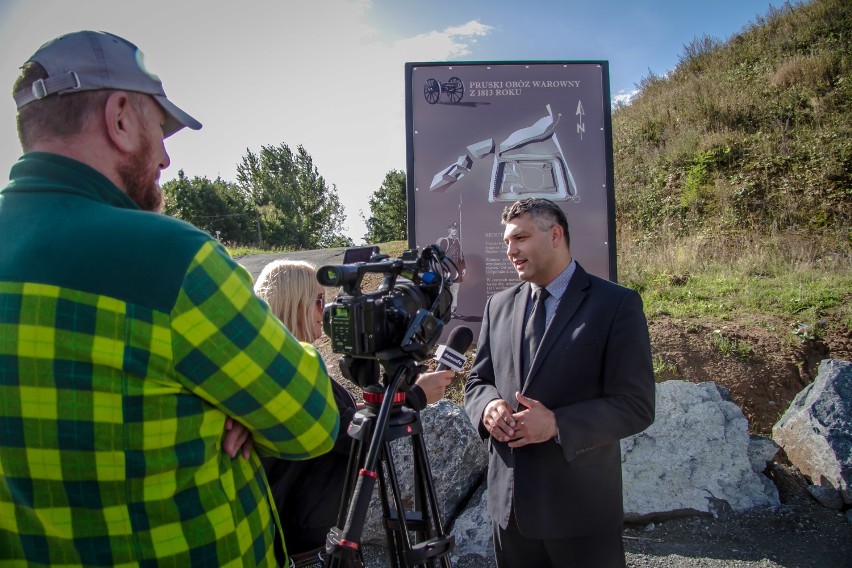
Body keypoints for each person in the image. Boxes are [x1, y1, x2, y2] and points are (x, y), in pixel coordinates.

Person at [0, 31, 339, 567]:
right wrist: (239, 405)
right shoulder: (170, 258)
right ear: (119, 117)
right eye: (160, 129)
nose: (166, 156)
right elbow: (313, 421)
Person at [464, 198, 655, 568]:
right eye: (506, 242)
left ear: (555, 235)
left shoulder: (616, 305)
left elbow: (636, 405)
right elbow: (478, 380)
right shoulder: (498, 305)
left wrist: (556, 424)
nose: (511, 250)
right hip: (510, 511)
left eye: (520, 238)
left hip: (580, 513)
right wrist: (488, 407)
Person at [252, 259, 454, 564]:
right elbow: (347, 435)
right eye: (319, 301)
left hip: (299, 523)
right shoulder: (289, 368)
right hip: (305, 535)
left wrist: (363, 406)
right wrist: (415, 396)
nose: (328, 312)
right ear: (295, 305)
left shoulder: (270, 359)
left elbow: (327, 419)